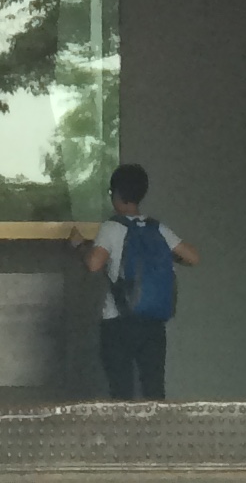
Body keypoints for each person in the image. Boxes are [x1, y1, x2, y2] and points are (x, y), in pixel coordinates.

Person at [76, 161, 197, 401]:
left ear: (116, 195)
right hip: (153, 323)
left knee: (121, 393)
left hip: (118, 323)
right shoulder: (157, 228)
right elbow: (193, 257)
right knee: (154, 391)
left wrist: (79, 246)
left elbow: (94, 264)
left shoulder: (112, 228)